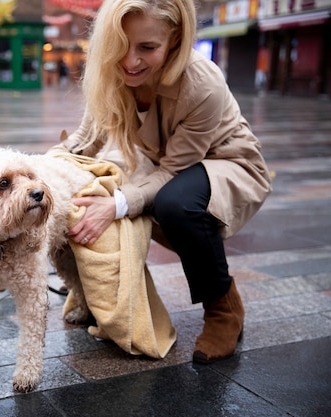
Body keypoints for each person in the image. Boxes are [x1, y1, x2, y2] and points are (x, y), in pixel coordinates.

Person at [54, 0, 272, 363]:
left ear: (174, 39)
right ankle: (105, 291)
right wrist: (39, 172)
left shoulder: (202, 82)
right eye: (121, 44)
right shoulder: (113, 67)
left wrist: (117, 204)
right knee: (120, 190)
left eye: (147, 48)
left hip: (226, 164)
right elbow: (85, 140)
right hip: (171, 170)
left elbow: (173, 171)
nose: (130, 61)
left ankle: (223, 307)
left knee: (171, 204)